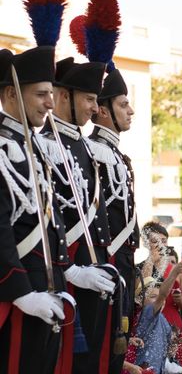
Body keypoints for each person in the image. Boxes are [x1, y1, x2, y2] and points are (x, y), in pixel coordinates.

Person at [75, 0, 141, 374]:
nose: (130, 109)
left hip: (121, 271)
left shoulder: (117, 156)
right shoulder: (92, 154)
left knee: (114, 359)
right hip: (102, 267)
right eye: (122, 104)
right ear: (100, 109)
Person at [40, 53, 118, 373]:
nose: (93, 108)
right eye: (88, 99)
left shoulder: (88, 148)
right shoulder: (45, 144)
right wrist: (70, 270)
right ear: (63, 96)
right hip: (67, 270)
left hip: (95, 269)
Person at [0, 46, 73, 373]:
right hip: (15, 300)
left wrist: (66, 274)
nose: (50, 103)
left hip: (46, 295)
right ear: (10, 95)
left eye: (53, 94)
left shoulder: (35, 152)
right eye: (42, 94)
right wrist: (21, 293)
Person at [134, 261, 182, 373]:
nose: (160, 301)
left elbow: (163, 350)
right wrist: (174, 273)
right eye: (153, 297)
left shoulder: (161, 318)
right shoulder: (146, 313)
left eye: (158, 296)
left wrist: (173, 344)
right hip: (144, 369)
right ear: (140, 300)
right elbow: (163, 295)